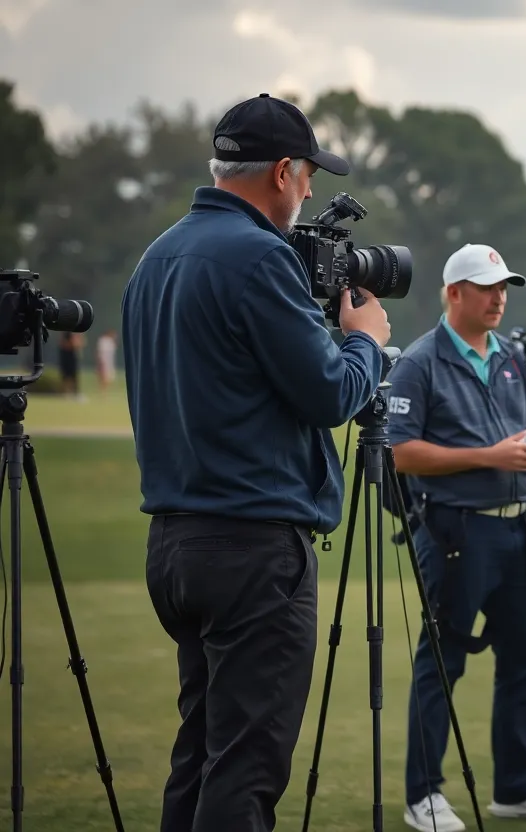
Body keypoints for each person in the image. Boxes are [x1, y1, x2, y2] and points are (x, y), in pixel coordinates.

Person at [121, 93, 391, 832]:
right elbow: (332, 392)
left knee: (202, 754)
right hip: (252, 548)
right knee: (245, 771)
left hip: (175, 542)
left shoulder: (158, 256)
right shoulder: (258, 257)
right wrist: (365, 336)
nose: (308, 192)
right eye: (307, 176)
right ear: (282, 172)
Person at [387, 242, 526, 832]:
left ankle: (517, 789)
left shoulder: (512, 359)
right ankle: (423, 795)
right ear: (454, 294)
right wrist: (488, 455)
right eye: (487, 287)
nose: (500, 298)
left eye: (504, 288)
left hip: (517, 529)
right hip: (454, 532)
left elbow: (519, 444)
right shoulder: (419, 362)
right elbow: (401, 454)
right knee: (442, 664)